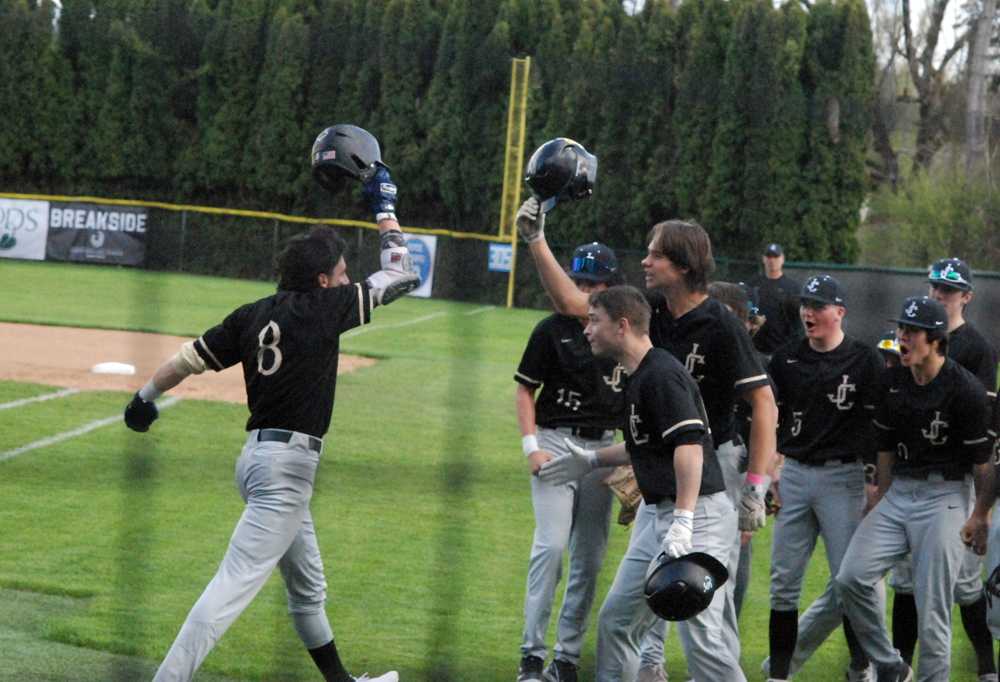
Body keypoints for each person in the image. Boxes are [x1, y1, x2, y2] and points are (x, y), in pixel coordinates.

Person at [123, 125, 416, 682]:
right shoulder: (324, 308)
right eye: (342, 273)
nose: (347, 279)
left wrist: (144, 397)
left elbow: (185, 360)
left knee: (309, 589)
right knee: (231, 585)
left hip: (260, 464)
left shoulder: (252, 313)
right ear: (323, 280)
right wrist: (386, 206)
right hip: (285, 471)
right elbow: (403, 272)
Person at [515, 200, 777, 682]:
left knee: (703, 629)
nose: (644, 261)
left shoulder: (719, 325)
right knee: (621, 621)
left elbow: (763, 404)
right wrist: (536, 241)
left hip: (706, 479)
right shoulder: (650, 315)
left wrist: (756, 485)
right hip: (661, 477)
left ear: (681, 265)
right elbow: (576, 307)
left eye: (655, 255)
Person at [537, 285, 743, 681]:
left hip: (697, 515)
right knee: (618, 621)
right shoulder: (638, 377)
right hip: (658, 514)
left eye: (594, 320)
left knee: (702, 637)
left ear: (623, 325)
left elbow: (689, 446)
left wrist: (683, 520)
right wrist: (592, 460)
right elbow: (644, 447)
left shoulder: (661, 374)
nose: (586, 330)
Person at [836, 295, 995, 682]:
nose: (902, 337)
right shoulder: (892, 382)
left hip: (947, 496)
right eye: (900, 329)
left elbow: (982, 465)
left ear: (936, 339)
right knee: (850, 578)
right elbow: (886, 451)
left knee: (933, 609)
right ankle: (891, 664)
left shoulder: (966, 390)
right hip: (900, 492)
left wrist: (980, 515)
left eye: (912, 331)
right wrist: (878, 498)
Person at [514, 242, 626, 682]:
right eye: (579, 280)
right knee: (551, 547)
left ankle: (567, 658)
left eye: (594, 282)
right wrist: (530, 446)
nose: (584, 288)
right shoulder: (551, 330)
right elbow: (525, 389)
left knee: (590, 559)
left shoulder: (622, 333)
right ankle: (530, 655)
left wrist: (634, 460)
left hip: (604, 452)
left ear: (611, 286)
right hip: (556, 443)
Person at [763, 275, 881, 682]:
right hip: (794, 474)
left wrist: (871, 479)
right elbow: (771, 417)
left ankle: (860, 667)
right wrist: (773, 464)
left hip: (842, 477)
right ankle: (779, 674)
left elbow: (876, 425)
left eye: (818, 305)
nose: (807, 312)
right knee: (782, 582)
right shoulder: (787, 357)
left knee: (849, 583)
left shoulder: (864, 360)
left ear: (840, 312)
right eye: (805, 304)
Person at [889, 258, 999, 681]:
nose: (939, 294)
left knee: (966, 583)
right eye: (935, 286)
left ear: (966, 296)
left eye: (949, 289)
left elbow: (985, 418)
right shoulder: (912, 336)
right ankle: (901, 665)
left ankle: (986, 667)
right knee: (904, 578)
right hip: (910, 472)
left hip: (958, 478)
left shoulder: (977, 348)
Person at [750, 243, 802, 359]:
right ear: (763, 259)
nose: (772, 260)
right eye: (769, 257)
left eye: (776, 257)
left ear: (782, 259)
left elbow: (797, 321)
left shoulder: (792, 287)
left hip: (782, 351)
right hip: (756, 350)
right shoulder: (753, 284)